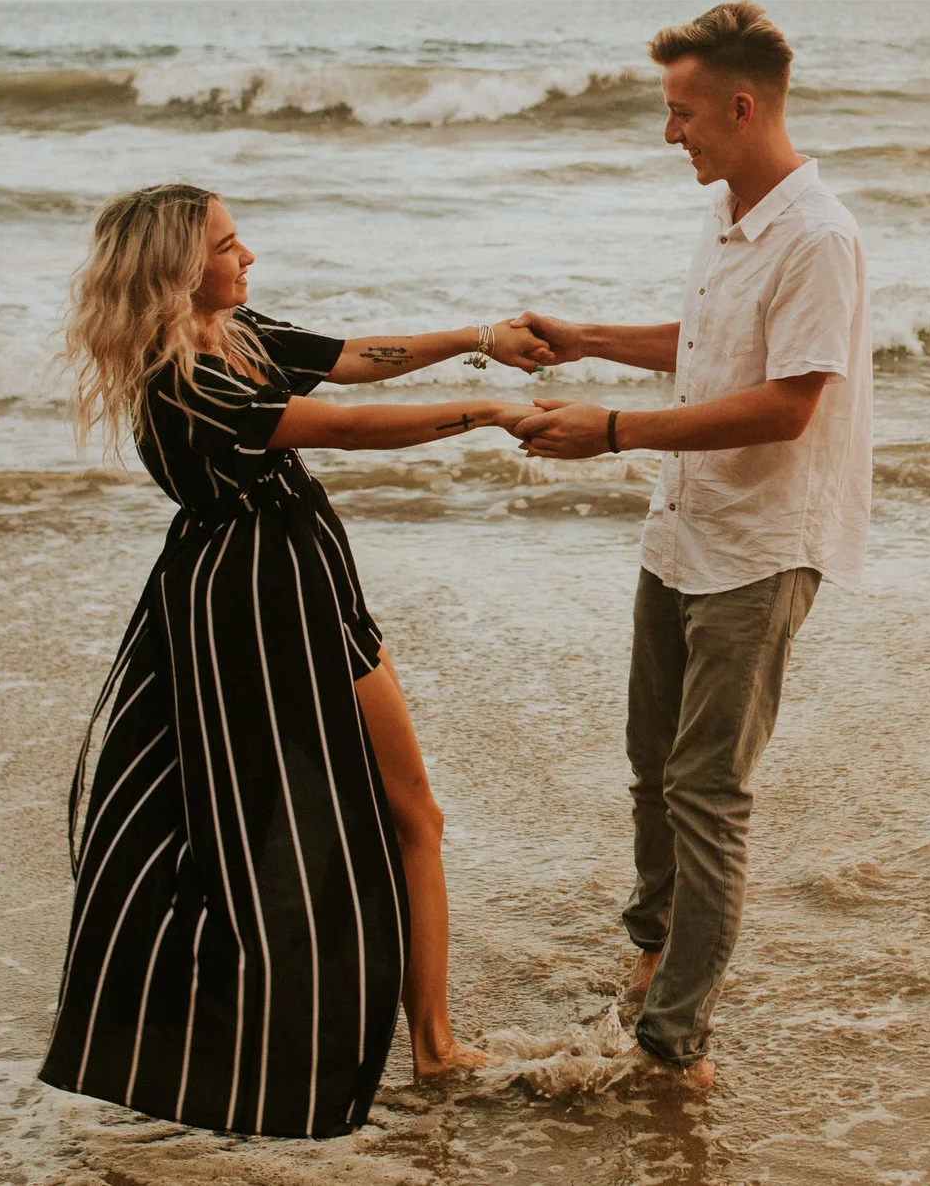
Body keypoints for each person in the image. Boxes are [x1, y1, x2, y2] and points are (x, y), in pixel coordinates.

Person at [40, 183, 549, 1138]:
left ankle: (433, 1041)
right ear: (179, 268)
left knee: (408, 811)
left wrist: (482, 334)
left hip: (307, 577)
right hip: (254, 602)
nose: (249, 257)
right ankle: (327, 1042)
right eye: (230, 246)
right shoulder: (186, 379)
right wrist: (484, 411)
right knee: (282, 827)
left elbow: (353, 361)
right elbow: (344, 427)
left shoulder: (235, 334)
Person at [513, 1, 872, 1090]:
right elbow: (704, 343)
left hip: (759, 546)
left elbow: (785, 404)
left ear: (740, 104)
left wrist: (611, 431)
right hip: (682, 529)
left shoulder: (817, 234)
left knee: (707, 789)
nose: (672, 134)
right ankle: (656, 944)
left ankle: (675, 1048)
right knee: (648, 768)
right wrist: (586, 340)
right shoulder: (727, 218)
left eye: (681, 113)